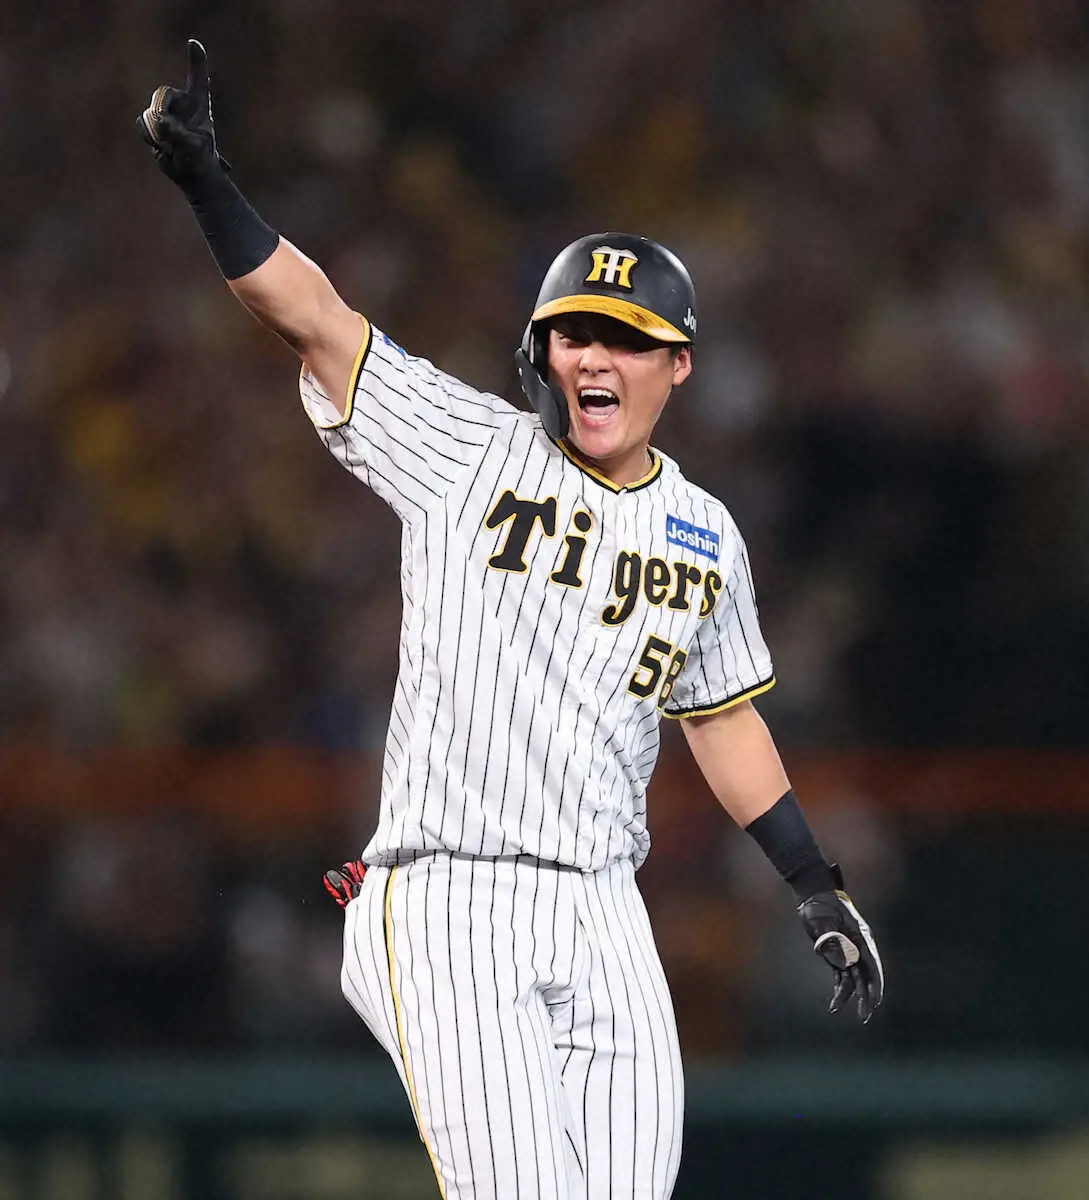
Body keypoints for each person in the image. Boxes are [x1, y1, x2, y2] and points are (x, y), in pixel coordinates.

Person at [139, 41, 883, 1200]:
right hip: (450, 896)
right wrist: (208, 187)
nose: (597, 357)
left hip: (606, 908)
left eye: (628, 339)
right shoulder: (469, 448)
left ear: (677, 366)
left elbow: (721, 719)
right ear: (541, 351)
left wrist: (811, 880)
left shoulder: (706, 532)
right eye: (576, 333)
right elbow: (320, 323)